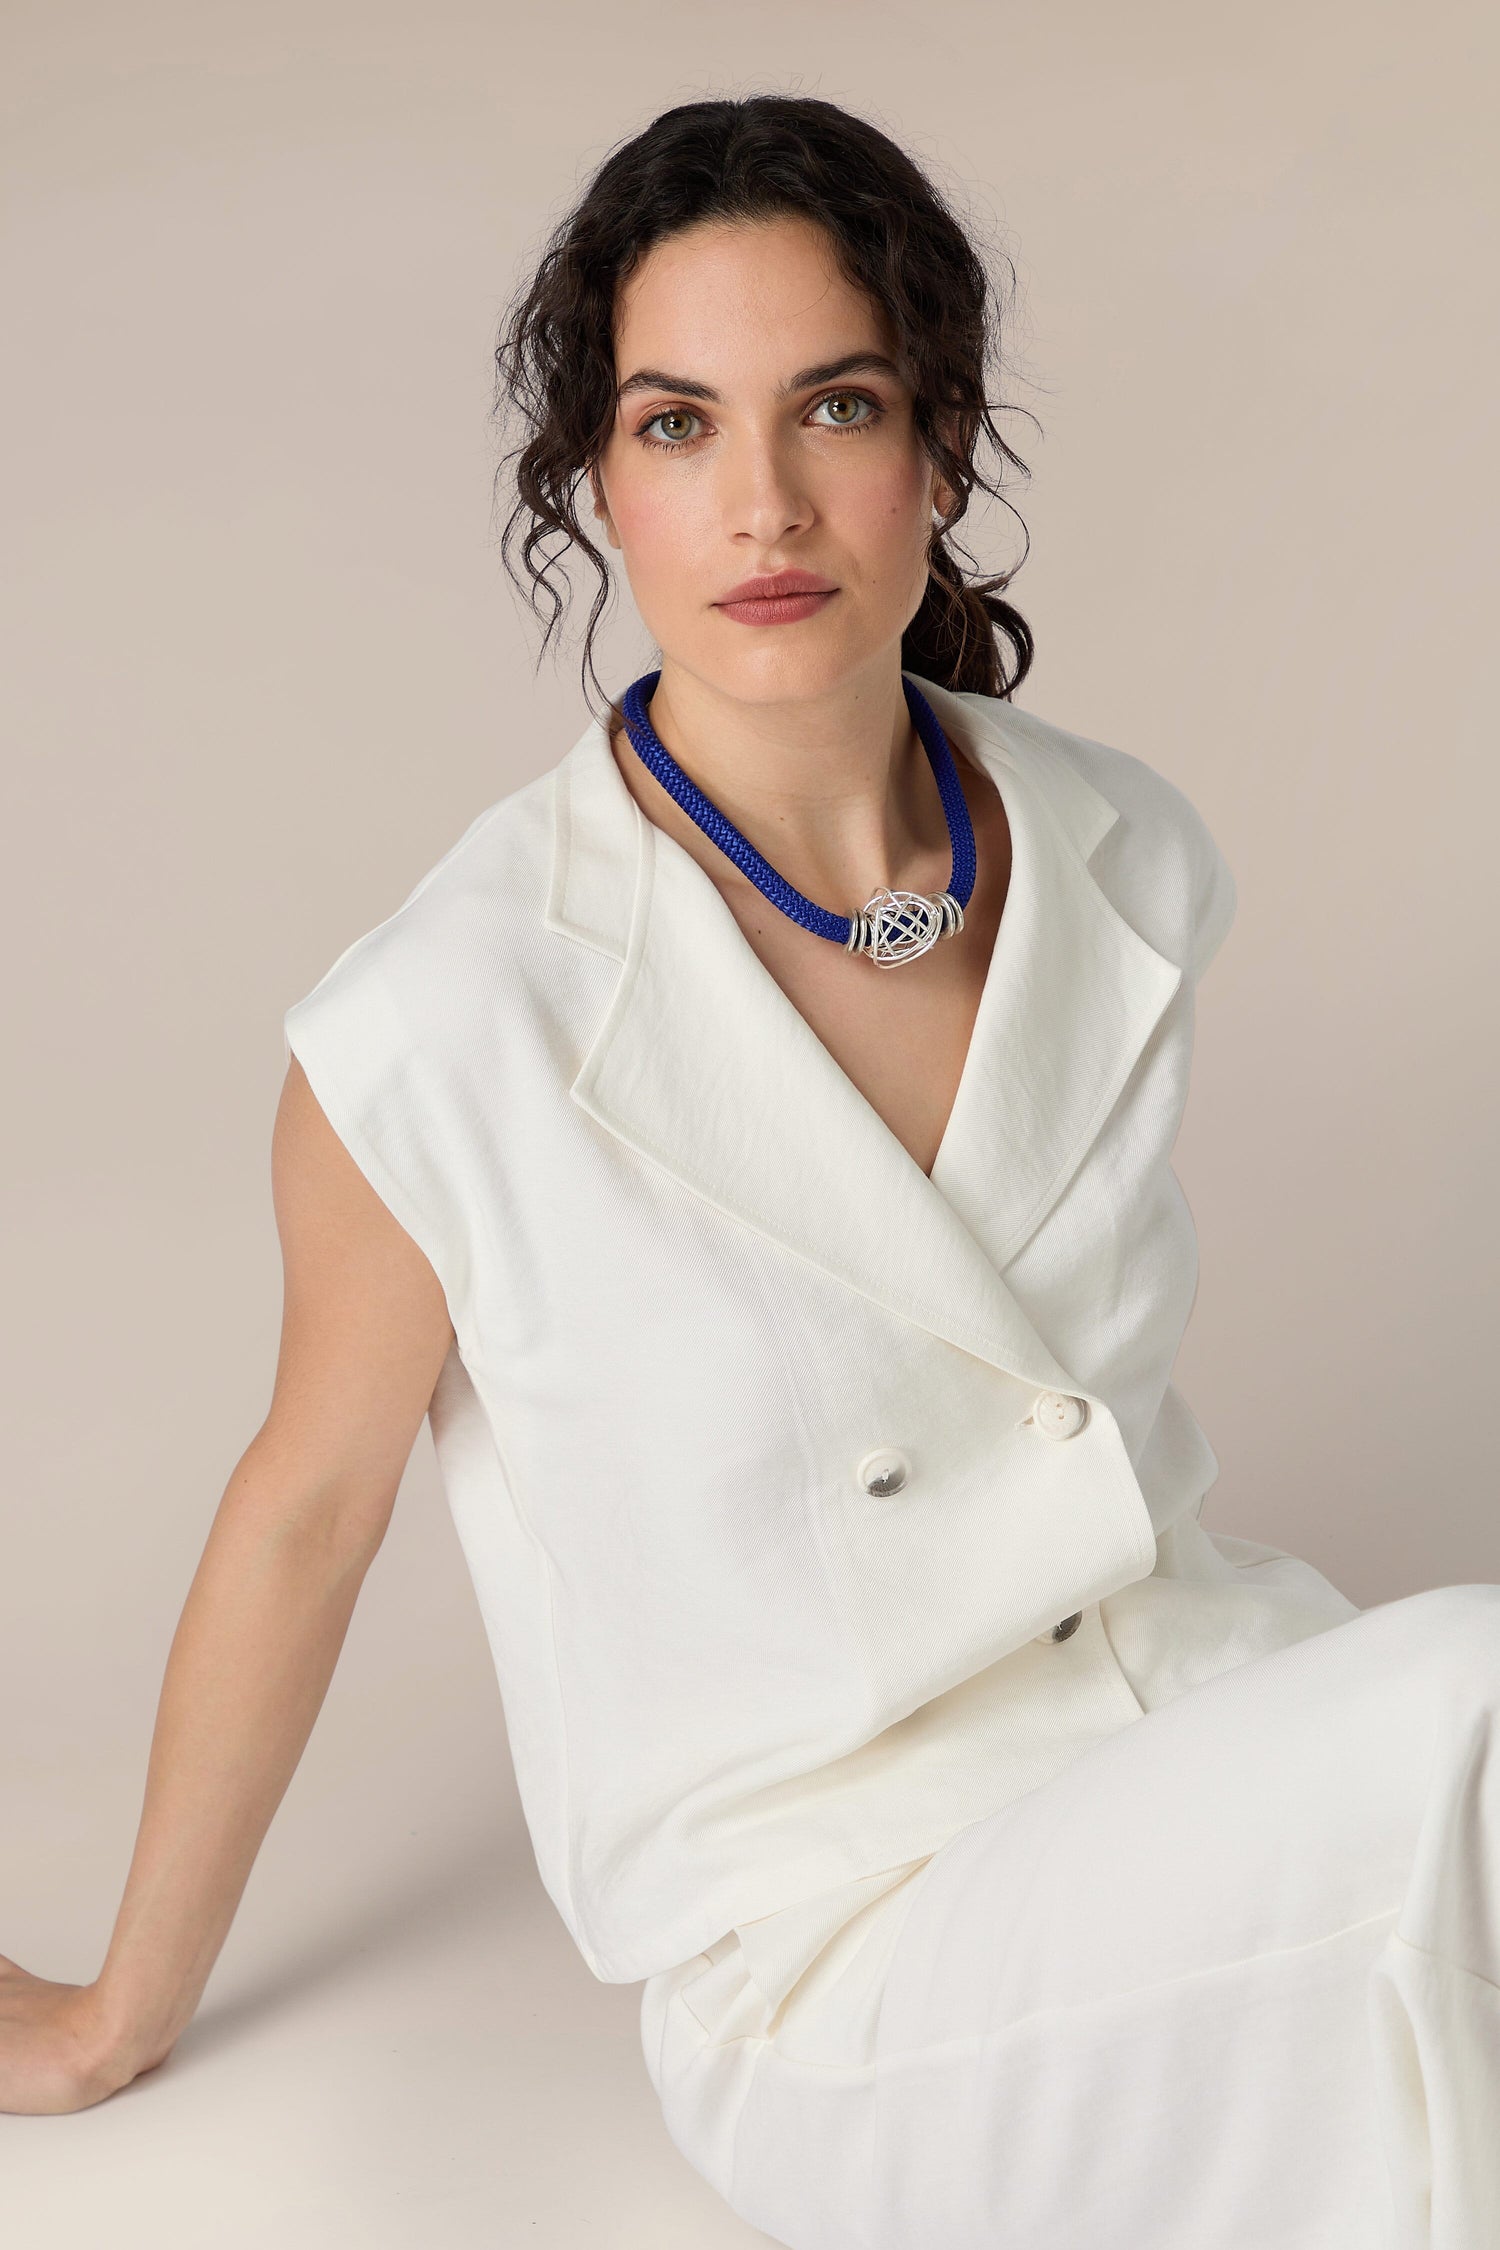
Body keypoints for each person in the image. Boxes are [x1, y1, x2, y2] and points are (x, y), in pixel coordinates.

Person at [2, 89, 1496, 2248]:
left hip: (1219, 1729)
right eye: (679, 424)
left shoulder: (1123, 855)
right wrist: (115, 2014)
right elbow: (306, 1511)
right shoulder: (452, 1021)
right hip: (858, 1945)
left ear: (941, 450)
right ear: (593, 482)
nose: (766, 502)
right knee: (1471, 1698)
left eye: (840, 405)